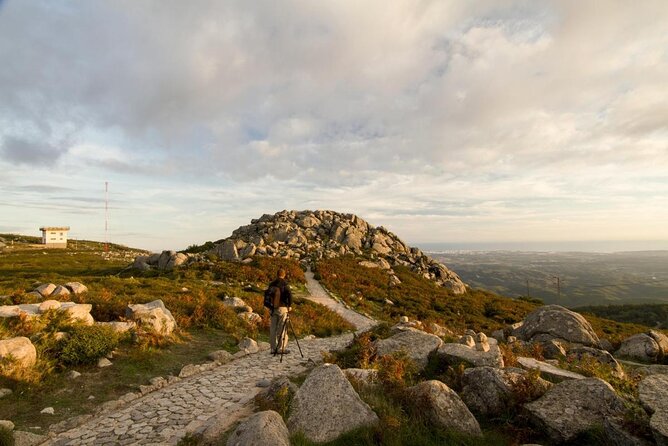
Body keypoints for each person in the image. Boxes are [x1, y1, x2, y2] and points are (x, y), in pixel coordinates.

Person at [268, 268, 293, 354]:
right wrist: (289, 305)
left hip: (272, 308)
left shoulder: (271, 284)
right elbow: (289, 295)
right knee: (282, 328)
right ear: (284, 275)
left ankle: (272, 348)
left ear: (277, 274)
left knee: (273, 328)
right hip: (282, 308)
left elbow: (267, 295)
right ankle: (281, 348)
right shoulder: (285, 284)